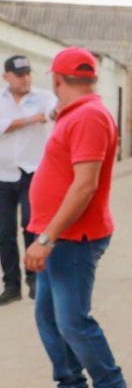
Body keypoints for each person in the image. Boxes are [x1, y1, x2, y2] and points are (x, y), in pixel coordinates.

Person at [24, 46, 125, 388]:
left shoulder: (88, 117)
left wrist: (46, 238)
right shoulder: (77, 112)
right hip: (58, 237)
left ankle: (111, 384)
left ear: (55, 79)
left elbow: (85, 186)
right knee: (50, 320)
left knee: (72, 323)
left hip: (70, 239)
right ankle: (70, 382)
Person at [0, 54, 56, 303]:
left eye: (27, 73)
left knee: (31, 227)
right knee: (4, 232)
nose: (25, 79)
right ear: (6, 77)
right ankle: (11, 285)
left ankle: (34, 280)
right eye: (19, 74)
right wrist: (32, 119)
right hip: (3, 174)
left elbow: (54, 112)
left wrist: (15, 123)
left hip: (33, 172)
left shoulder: (42, 97)